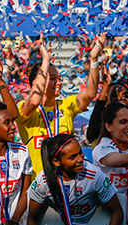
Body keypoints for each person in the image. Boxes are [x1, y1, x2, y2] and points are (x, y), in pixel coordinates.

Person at [17, 34, 102, 177]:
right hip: (40, 184)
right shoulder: (25, 109)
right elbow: (34, 101)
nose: (58, 83)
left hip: (69, 182)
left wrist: (93, 60)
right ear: (37, 83)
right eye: (52, 78)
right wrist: (45, 60)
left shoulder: (66, 105)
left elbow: (91, 93)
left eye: (59, 78)